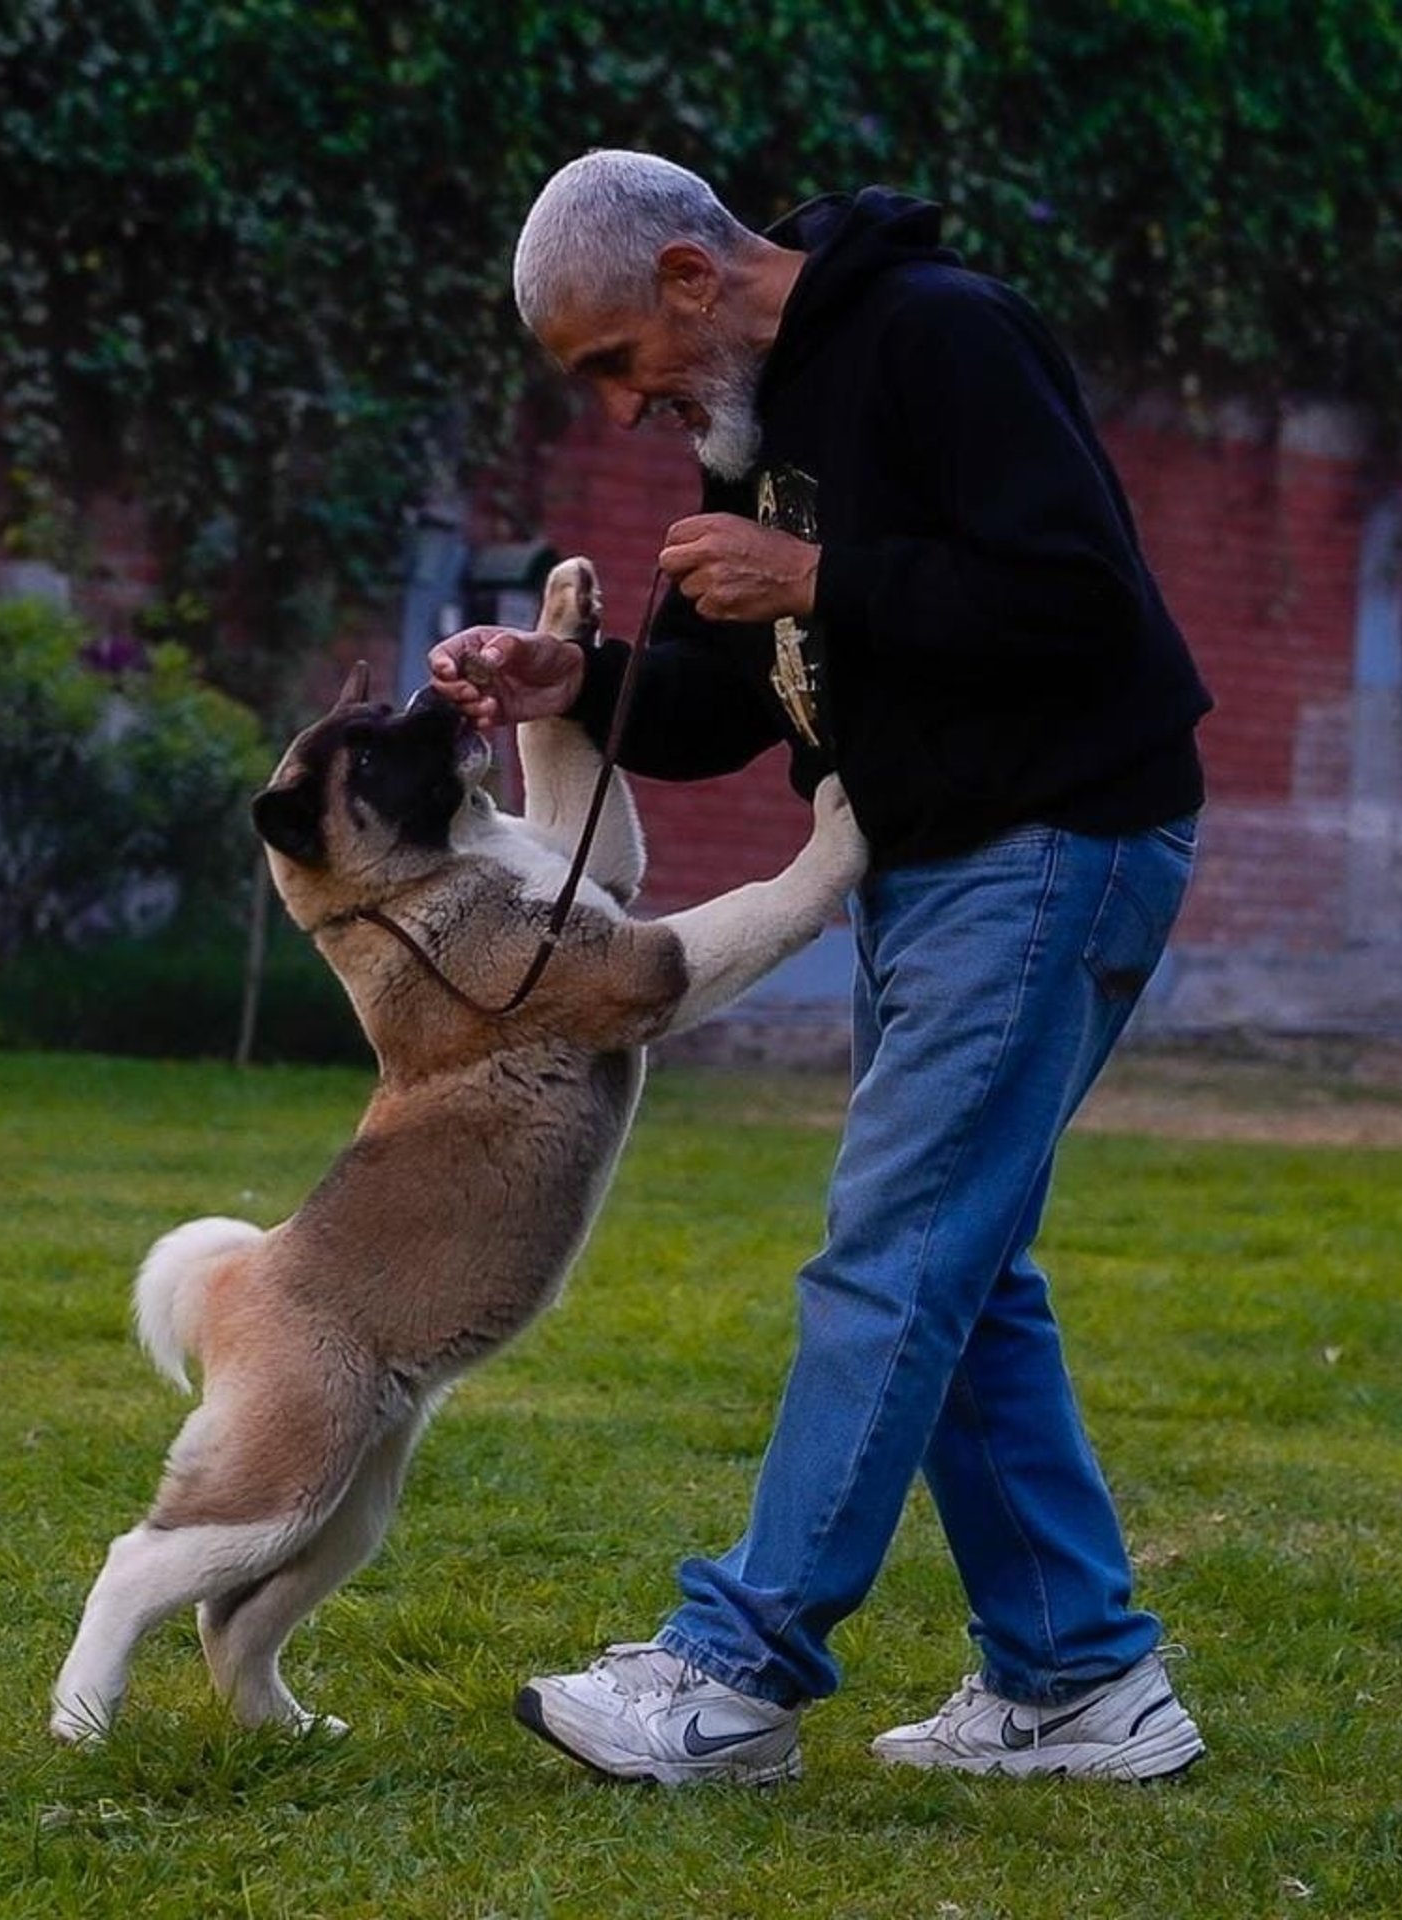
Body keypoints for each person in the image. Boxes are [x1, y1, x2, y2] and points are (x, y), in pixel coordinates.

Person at [427, 151, 1214, 1787]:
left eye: (614, 362)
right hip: (931, 861)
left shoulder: (942, 334)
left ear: (691, 278)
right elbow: (740, 699)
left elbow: (1087, 601)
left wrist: (821, 576)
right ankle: (1079, 1679)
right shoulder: (752, 423)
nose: (623, 408)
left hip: (1053, 836)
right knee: (959, 1264)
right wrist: (574, 678)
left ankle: (734, 1677)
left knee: (898, 1251)